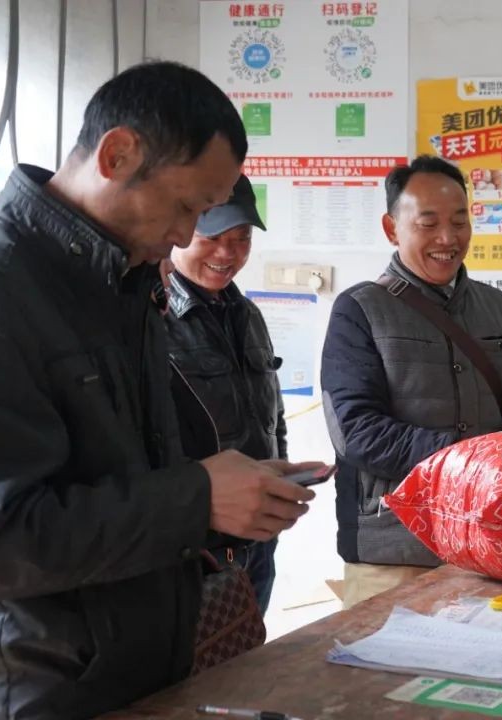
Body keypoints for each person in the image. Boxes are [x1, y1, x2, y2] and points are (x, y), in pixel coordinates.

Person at [0, 62, 319, 720]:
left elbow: (123, 470)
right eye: (186, 208)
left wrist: (229, 485)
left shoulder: (124, 278)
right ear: (118, 154)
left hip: (144, 669)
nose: (186, 236)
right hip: (42, 689)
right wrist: (198, 497)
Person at [321, 155, 502, 608]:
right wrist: (470, 460)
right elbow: (356, 432)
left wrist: (495, 468)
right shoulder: (359, 310)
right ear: (392, 229)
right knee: (384, 679)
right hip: (393, 551)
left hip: (492, 545)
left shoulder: (500, 308)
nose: (448, 239)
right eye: (428, 224)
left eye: (459, 221)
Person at [162, 174, 291, 616]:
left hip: (257, 542)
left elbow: (274, 413)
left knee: (249, 670)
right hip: (196, 549)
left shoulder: (247, 313)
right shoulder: (152, 319)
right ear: (178, 230)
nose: (227, 253)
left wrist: (284, 477)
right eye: (212, 237)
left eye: (241, 238)